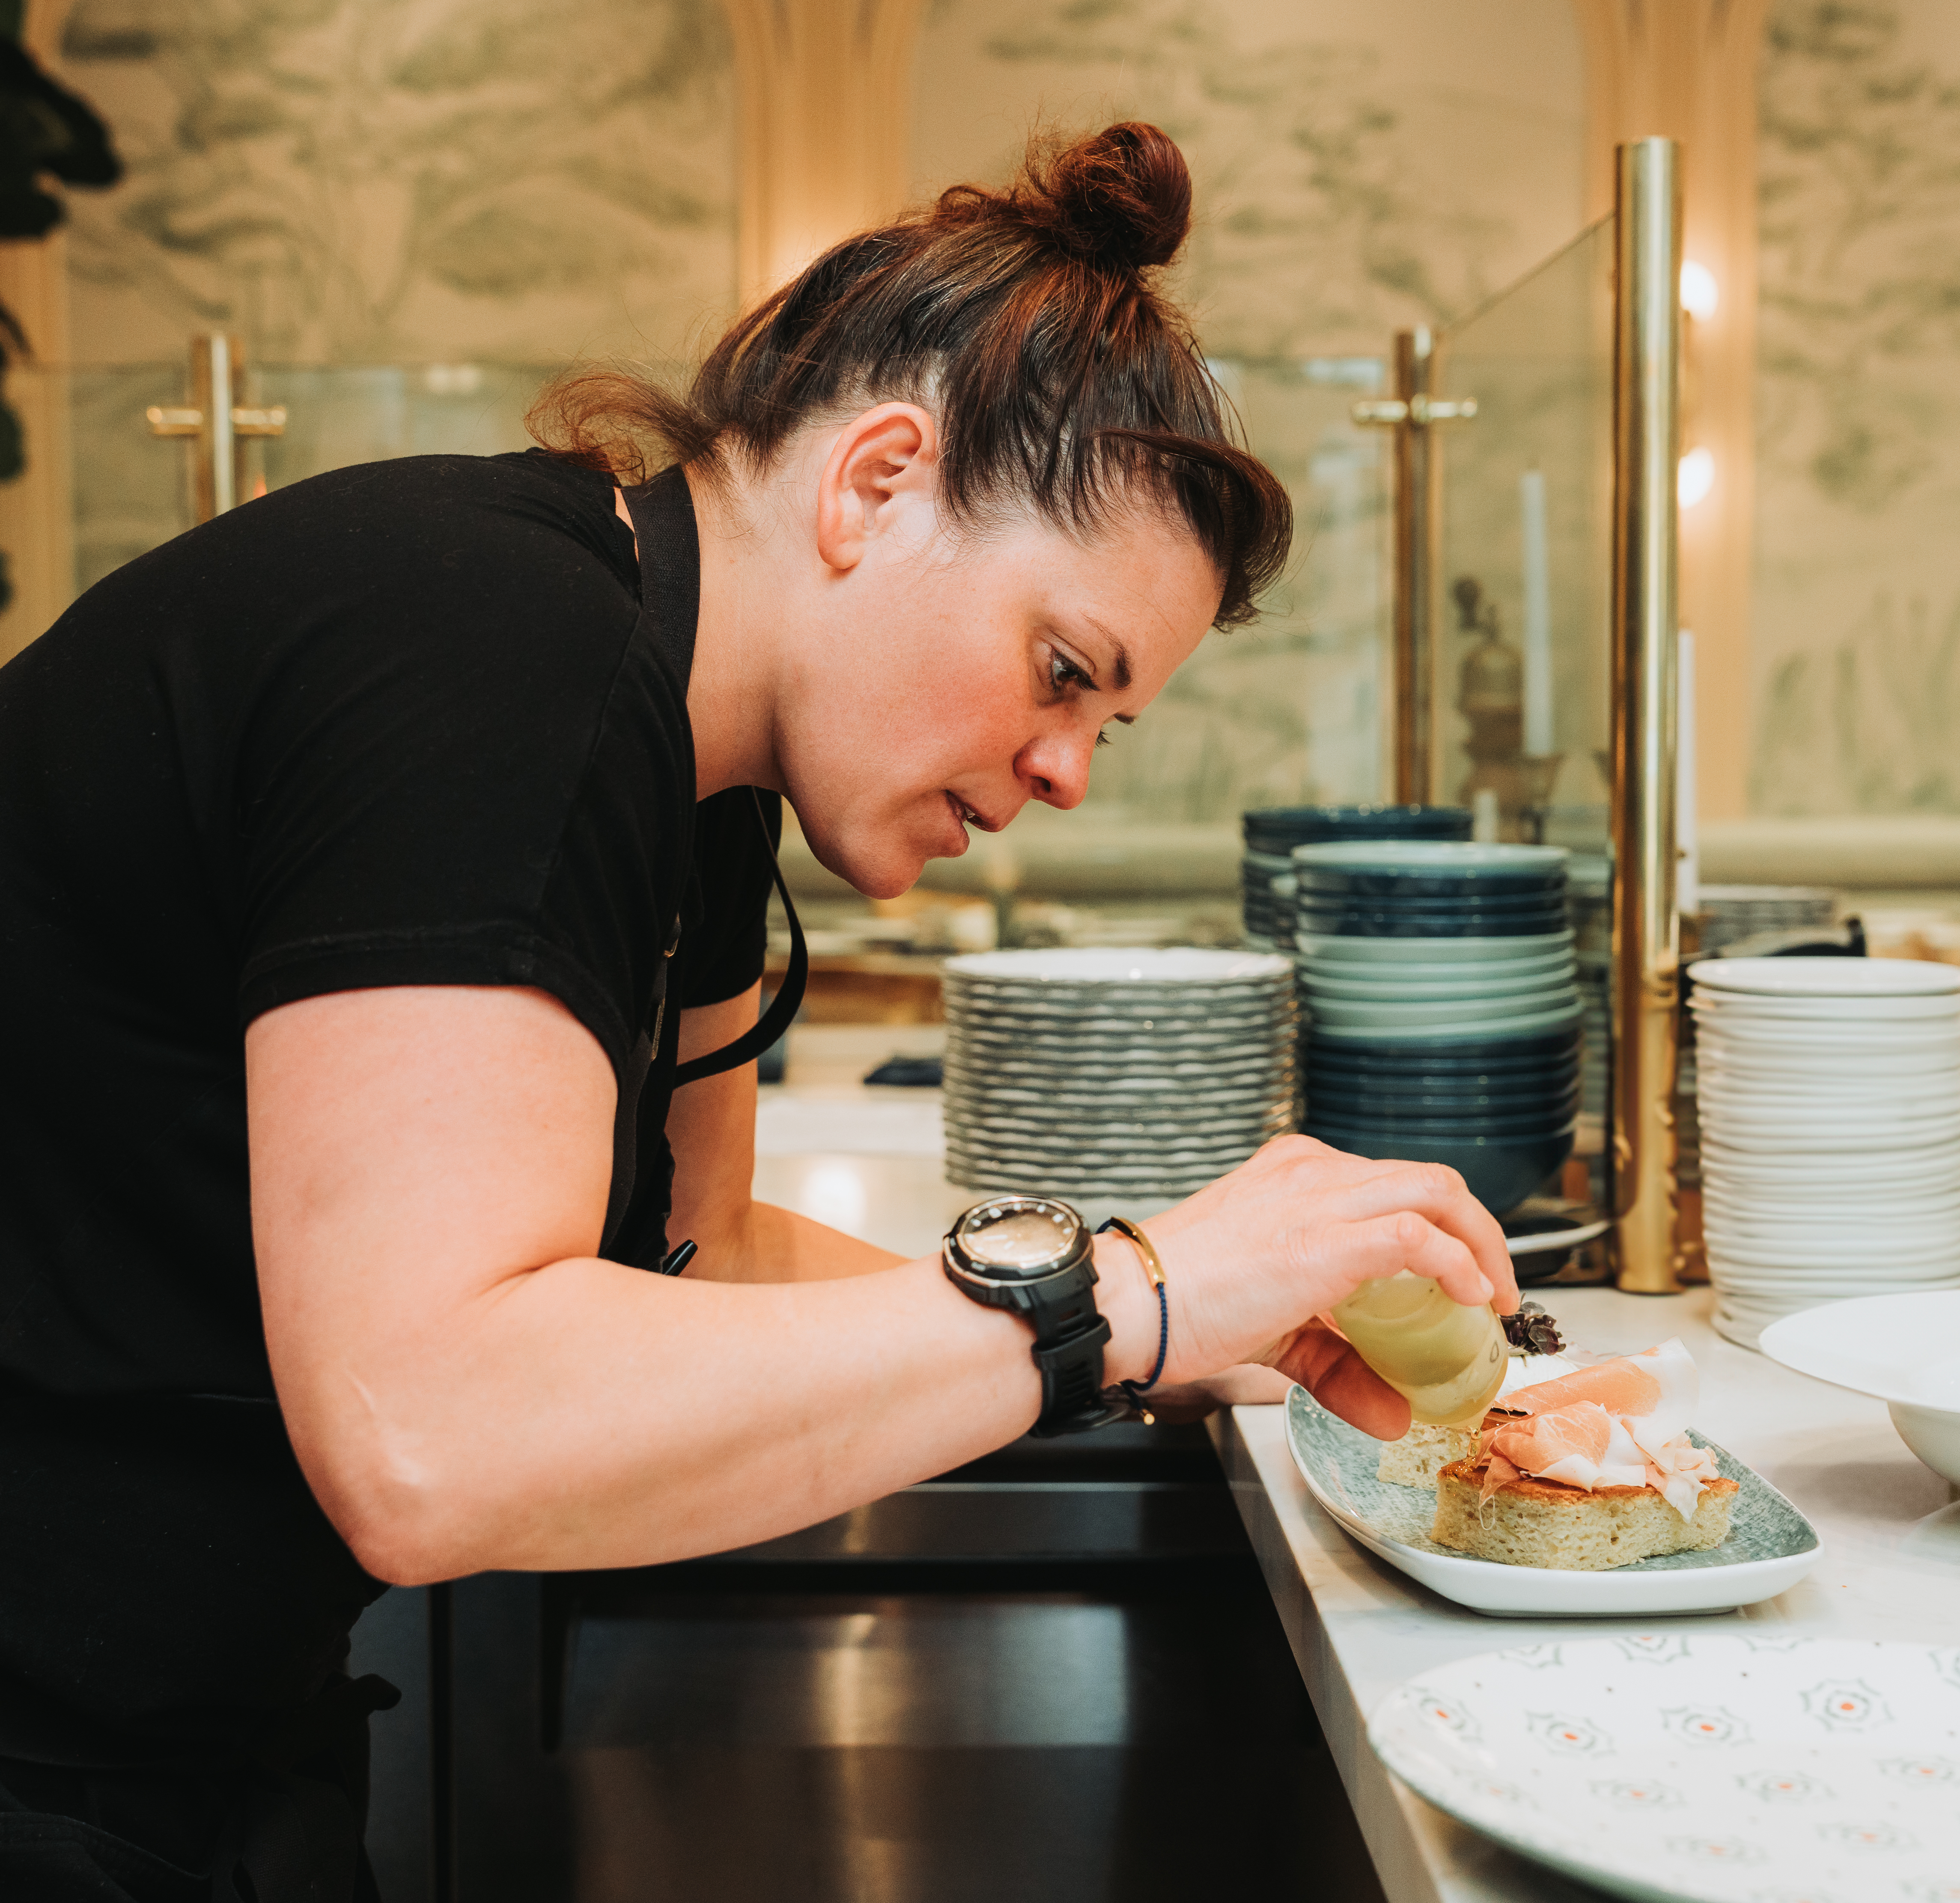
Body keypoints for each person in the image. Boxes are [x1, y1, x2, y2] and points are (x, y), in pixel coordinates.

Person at [0, 122, 1516, 1901]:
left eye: (1108, 725)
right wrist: (1126, 1299)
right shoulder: (497, 646)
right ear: (877, 485)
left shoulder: (696, 768)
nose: (1064, 772)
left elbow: (692, 1258)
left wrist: (1181, 1332)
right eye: (1061, 671)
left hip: (197, 1719)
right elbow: (429, 1436)